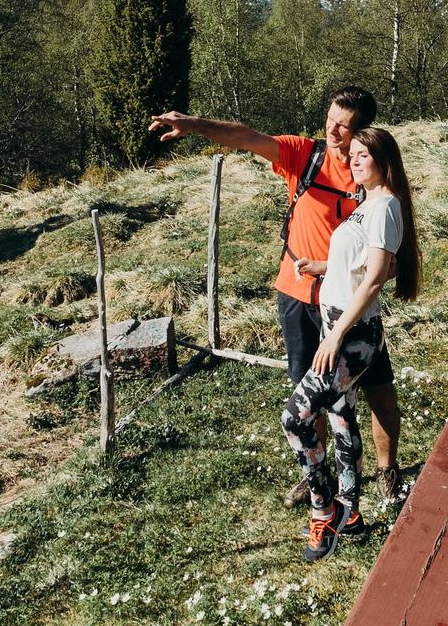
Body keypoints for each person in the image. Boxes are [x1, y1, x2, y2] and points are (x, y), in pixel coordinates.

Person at [145, 90, 409, 506]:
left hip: (351, 306)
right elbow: (248, 137)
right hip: (300, 295)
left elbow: (387, 254)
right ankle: (317, 471)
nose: (332, 129)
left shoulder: (372, 178)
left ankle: (386, 471)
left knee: (379, 391)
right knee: (313, 394)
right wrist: (195, 124)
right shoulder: (306, 156)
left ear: (364, 132)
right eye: (330, 119)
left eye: (344, 125)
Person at [278, 125, 419, 558]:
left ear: (384, 160)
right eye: (352, 154)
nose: (353, 160)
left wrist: (335, 336)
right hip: (337, 324)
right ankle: (352, 513)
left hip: (352, 333)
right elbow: (361, 264)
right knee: (341, 417)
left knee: (296, 419)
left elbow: (376, 278)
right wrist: (322, 266)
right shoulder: (366, 205)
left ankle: (325, 511)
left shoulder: (385, 207)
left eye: (363, 155)